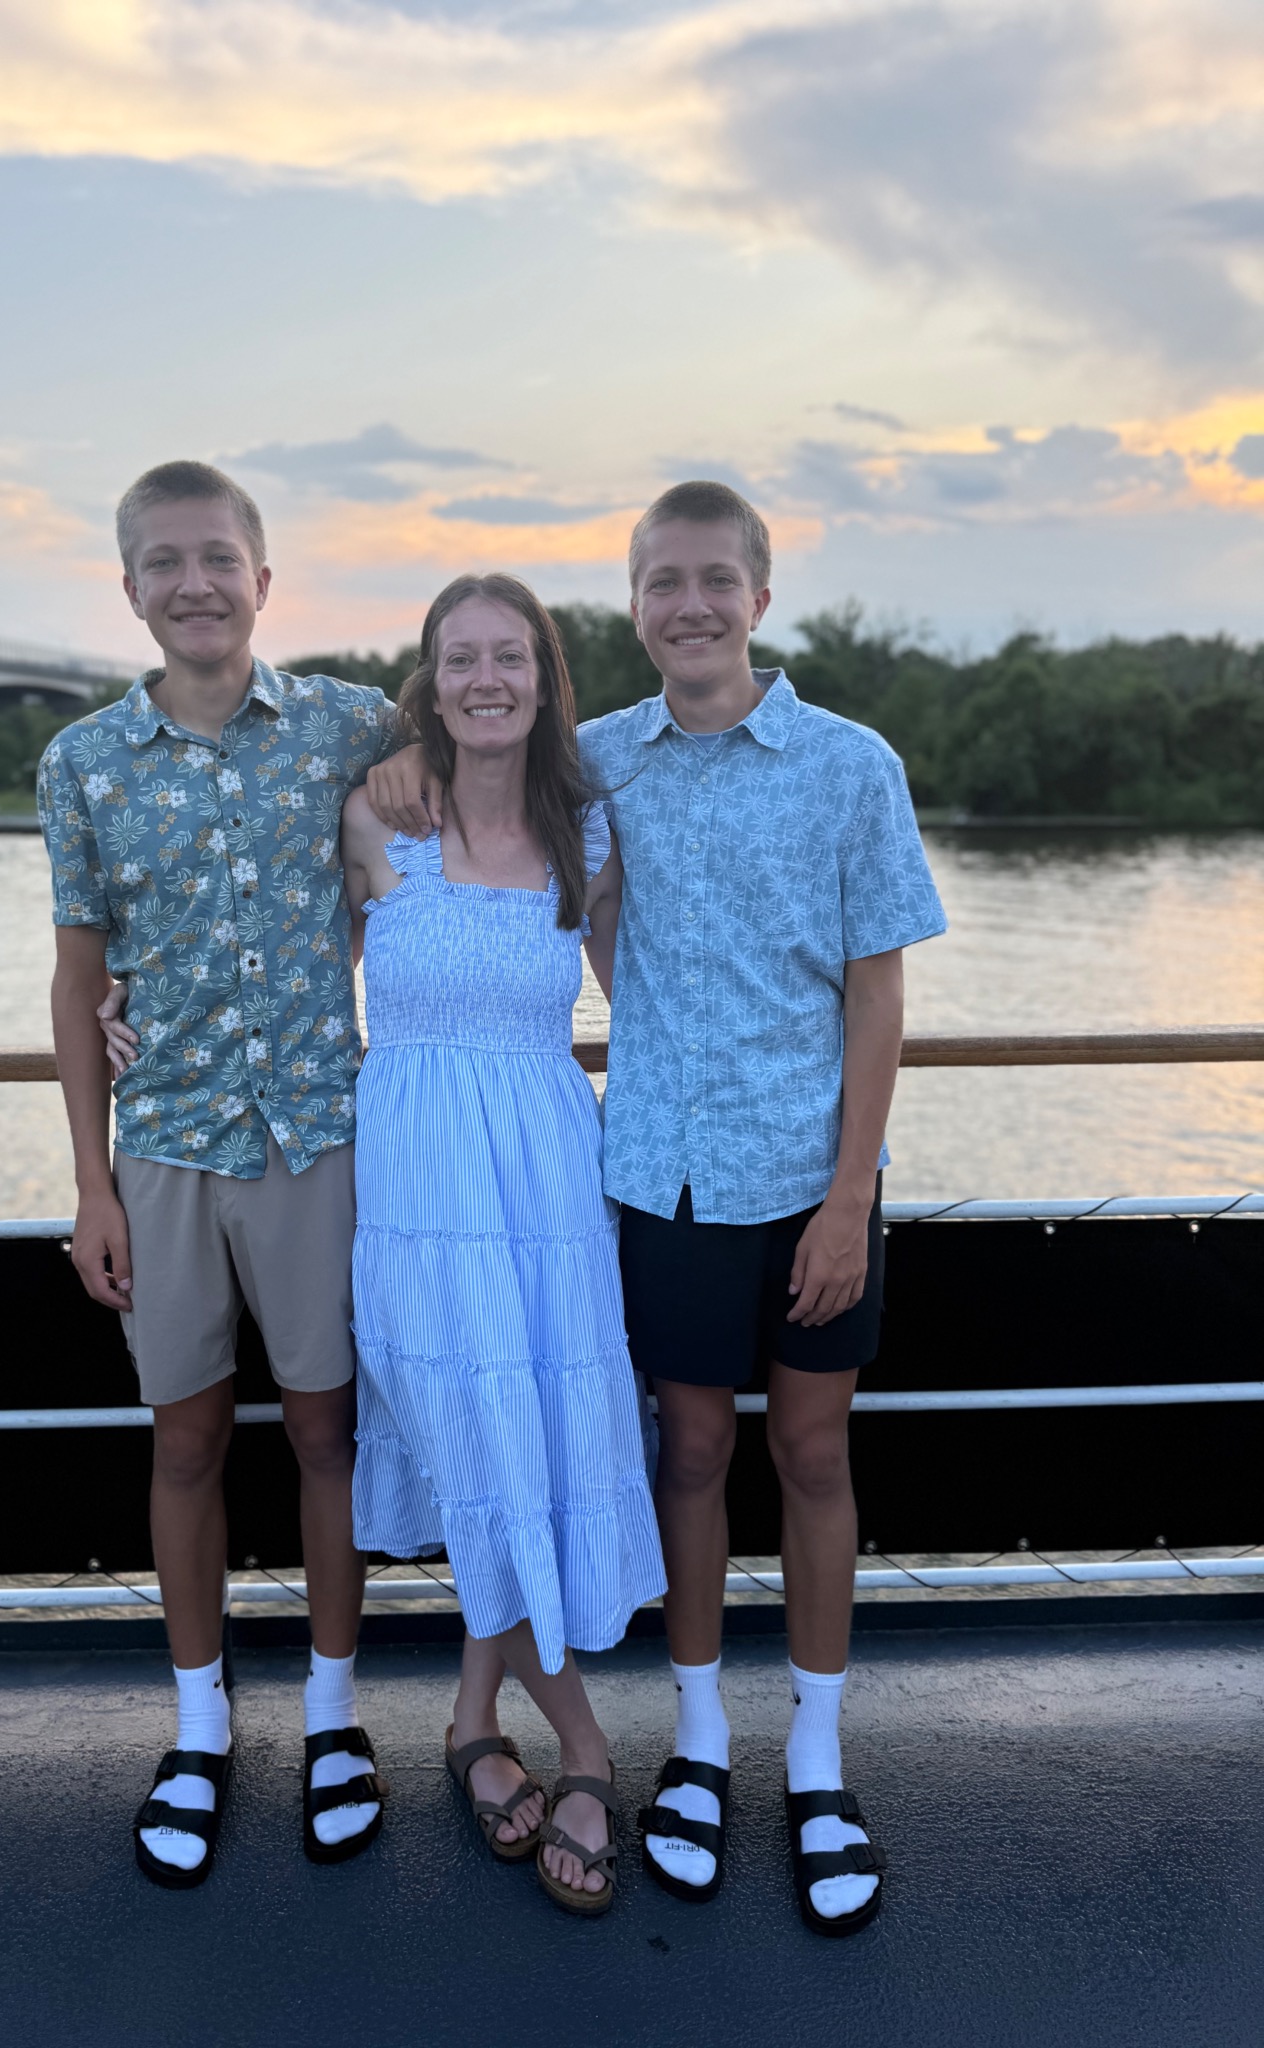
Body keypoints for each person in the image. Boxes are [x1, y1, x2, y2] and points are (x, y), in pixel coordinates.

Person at [369, 481, 946, 1935]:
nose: (690, 605)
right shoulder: (598, 767)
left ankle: (817, 1761)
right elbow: (473, 783)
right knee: (688, 1451)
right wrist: (403, 749)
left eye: (715, 580)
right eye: (662, 583)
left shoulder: (851, 763)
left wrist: (852, 1193)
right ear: (631, 606)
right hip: (666, 1175)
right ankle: (697, 1746)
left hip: (812, 1181)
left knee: (812, 1454)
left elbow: (880, 994)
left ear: (760, 595)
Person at [39, 459, 400, 1887]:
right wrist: (92, 1186)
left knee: (326, 1436)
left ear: (263, 578)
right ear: (130, 588)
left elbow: (488, 757)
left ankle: (333, 1712)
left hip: (317, 1140)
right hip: (166, 1150)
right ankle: (200, 1722)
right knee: (184, 1444)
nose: (194, 584)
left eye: (217, 558)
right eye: (164, 562)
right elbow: (77, 983)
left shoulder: (348, 727)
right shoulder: (82, 762)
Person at [341, 573, 667, 1917]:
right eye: (461, 658)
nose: (487, 679)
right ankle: (586, 1745)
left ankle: (476, 1720)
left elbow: (648, 999)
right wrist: (130, 1000)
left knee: (525, 1449)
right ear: (430, 681)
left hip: (548, 1181)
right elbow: (288, 971)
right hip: (419, 1187)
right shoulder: (378, 815)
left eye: (510, 657)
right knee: (473, 1441)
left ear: (544, 677)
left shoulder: (587, 828)